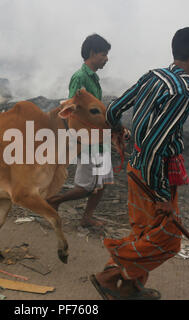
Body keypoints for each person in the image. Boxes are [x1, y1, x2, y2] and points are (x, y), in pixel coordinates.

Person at [90, 27, 189, 300]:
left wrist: (119, 131)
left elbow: (113, 109)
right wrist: (163, 195)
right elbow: (157, 145)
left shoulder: (153, 76)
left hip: (136, 167)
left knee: (145, 232)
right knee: (167, 240)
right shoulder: (182, 90)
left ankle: (129, 287)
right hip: (154, 174)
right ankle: (109, 274)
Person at [47, 34, 114, 228]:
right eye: (104, 54)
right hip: (88, 141)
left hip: (101, 139)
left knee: (103, 182)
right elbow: (71, 111)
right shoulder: (80, 77)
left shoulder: (94, 78)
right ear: (93, 53)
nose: (106, 58)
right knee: (85, 186)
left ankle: (87, 217)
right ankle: (55, 201)